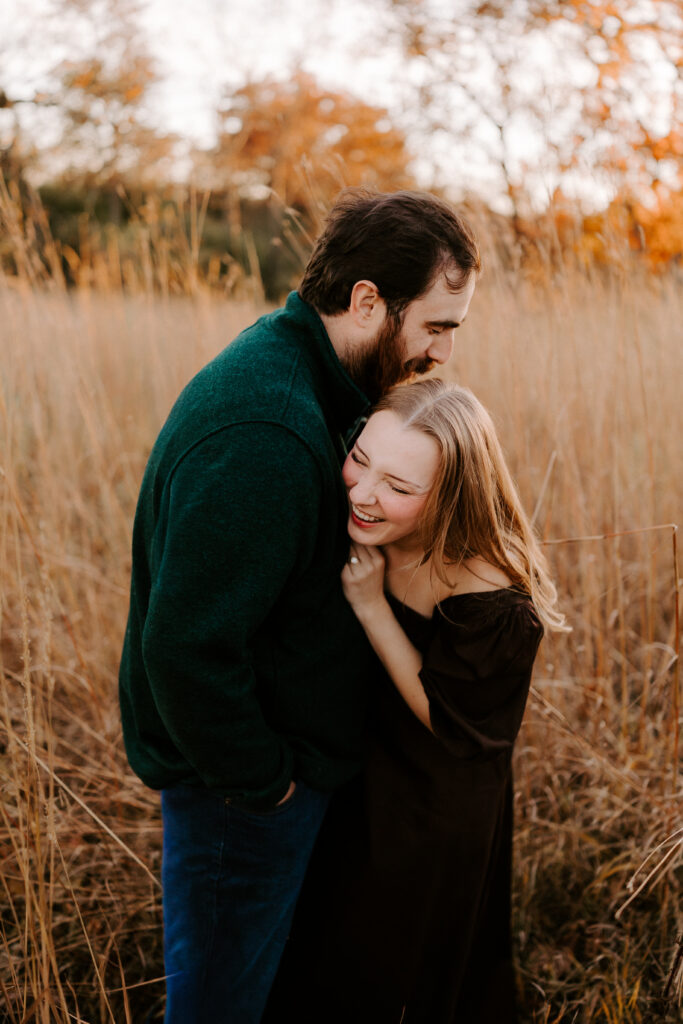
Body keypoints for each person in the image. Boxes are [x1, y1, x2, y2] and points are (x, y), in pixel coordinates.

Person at [117, 188, 480, 1023]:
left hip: (268, 779)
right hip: (238, 800)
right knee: (218, 1007)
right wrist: (265, 785)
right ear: (367, 301)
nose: (443, 352)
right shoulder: (268, 431)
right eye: (436, 325)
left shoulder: (309, 373)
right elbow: (185, 647)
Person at [264, 379, 568, 1024]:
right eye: (360, 459)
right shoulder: (363, 516)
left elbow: (453, 724)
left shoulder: (492, 592)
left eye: (399, 487)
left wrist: (372, 606)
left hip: (434, 800)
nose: (363, 494)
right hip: (357, 766)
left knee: (393, 956)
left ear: (452, 497)